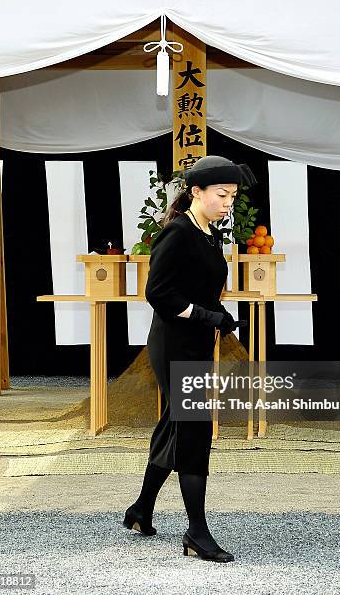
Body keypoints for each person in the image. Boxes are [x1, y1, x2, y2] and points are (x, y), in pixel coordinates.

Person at [123, 155, 255, 563]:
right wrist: (208, 315)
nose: (228, 203)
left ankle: (141, 509)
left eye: (232, 196)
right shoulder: (178, 233)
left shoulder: (208, 232)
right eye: (221, 195)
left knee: (175, 425)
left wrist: (219, 315)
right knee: (194, 428)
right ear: (196, 192)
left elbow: (198, 287)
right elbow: (159, 295)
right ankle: (197, 531)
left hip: (196, 342)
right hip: (175, 344)